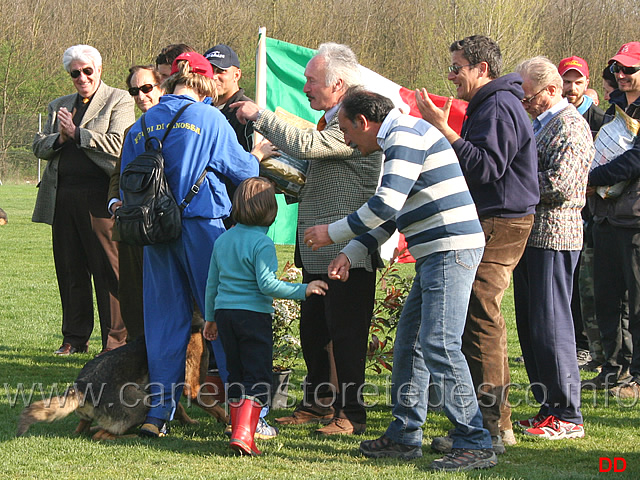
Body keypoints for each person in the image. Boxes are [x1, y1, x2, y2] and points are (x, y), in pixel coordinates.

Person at [304, 88, 495, 471]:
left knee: (438, 343)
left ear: (364, 122)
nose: (346, 140)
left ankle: (475, 441)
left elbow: (385, 206)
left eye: (346, 130)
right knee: (409, 345)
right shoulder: (400, 139)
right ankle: (405, 435)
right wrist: (352, 252)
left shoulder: (405, 135)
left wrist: (333, 234)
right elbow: (393, 216)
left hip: (449, 250)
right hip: (437, 253)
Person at [119, 52, 272, 437]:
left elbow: (126, 184)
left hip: (155, 234)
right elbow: (242, 171)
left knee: (163, 323)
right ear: (204, 83)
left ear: (171, 82)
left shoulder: (141, 124)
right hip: (202, 228)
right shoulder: (209, 118)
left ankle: (158, 416)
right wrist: (258, 154)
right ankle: (245, 419)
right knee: (223, 317)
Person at [233, 43, 382, 436]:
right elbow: (311, 172)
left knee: (346, 336)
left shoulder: (356, 122)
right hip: (320, 250)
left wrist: (258, 114)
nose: (305, 87)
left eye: (311, 80)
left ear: (339, 84)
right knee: (315, 333)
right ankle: (318, 404)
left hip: (349, 252)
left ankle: (351, 415)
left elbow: (307, 146)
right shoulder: (332, 122)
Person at [415, 35, 538, 453]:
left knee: (480, 318)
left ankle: (491, 428)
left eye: (457, 67)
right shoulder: (494, 103)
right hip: (494, 220)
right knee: (476, 317)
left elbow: (486, 169)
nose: (451, 75)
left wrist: (444, 131)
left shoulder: (499, 105)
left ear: (482, 69)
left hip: (499, 223)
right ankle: (489, 424)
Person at [204, 177, 328, 456]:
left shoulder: (223, 239)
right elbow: (267, 285)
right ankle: (246, 433)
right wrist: (305, 288)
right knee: (258, 375)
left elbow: (212, 283)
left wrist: (210, 318)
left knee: (235, 372)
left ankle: (236, 428)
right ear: (271, 211)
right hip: (253, 316)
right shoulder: (262, 244)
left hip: (224, 315)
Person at [32, 44, 134, 356]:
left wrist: (77, 134)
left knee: (108, 270)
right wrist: (60, 138)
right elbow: (39, 147)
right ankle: (74, 339)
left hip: (101, 197)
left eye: (87, 71)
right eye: (75, 73)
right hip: (62, 197)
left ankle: (115, 342)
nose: (81, 77)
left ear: (99, 70)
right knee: (69, 269)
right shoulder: (59, 105)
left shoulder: (120, 99)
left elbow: (119, 144)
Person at [513, 56, 593, 439]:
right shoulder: (539, 122)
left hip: (555, 237)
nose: (523, 101)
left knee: (552, 325)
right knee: (532, 328)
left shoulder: (571, 126)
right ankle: (550, 406)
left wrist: (513, 185)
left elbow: (562, 183)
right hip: (531, 235)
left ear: (550, 90)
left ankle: (569, 415)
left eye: (528, 95)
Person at [584, 42, 640, 399]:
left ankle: (637, 376)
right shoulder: (616, 109)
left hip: (635, 221)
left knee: (637, 303)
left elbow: (635, 162)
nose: (621, 75)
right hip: (605, 217)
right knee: (607, 299)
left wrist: (591, 177)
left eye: (629, 69)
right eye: (617, 69)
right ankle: (613, 368)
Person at [107, 65, 164, 342]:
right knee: (130, 293)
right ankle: (135, 352)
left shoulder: (176, 125)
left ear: (161, 86)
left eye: (146, 88)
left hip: (163, 226)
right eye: (134, 91)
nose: (141, 96)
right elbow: (118, 173)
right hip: (131, 224)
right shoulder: (132, 130)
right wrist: (115, 201)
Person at [558, 56, 607, 372]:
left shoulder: (602, 120)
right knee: (561, 286)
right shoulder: (550, 118)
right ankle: (562, 343)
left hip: (593, 214)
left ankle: (586, 347)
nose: (572, 88)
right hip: (559, 218)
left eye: (578, 82)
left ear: (586, 84)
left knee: (585, 288)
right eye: (567, 81)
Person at [204, 44, 254, 151]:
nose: (213, 76)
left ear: (236, 75)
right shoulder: (200, 110)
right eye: (210, 71)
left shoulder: (249, 113)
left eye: (221, 71)